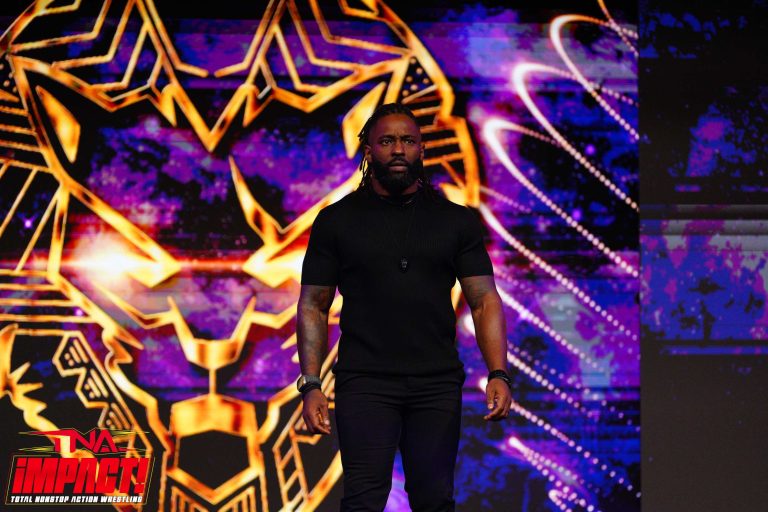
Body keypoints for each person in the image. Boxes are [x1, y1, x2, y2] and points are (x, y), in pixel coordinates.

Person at [296, 103, 512, 511]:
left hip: (436, 383)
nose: (398, 149)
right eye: (387, 141)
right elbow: (313, 305)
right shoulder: (337, 221)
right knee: (363, 501)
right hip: (365, 381)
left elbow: (484, 300)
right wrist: (310, 384)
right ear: (369, 150)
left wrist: (498, 372)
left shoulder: (455, 221)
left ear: (422, 149)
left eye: (408, 141)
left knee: (434, 499)